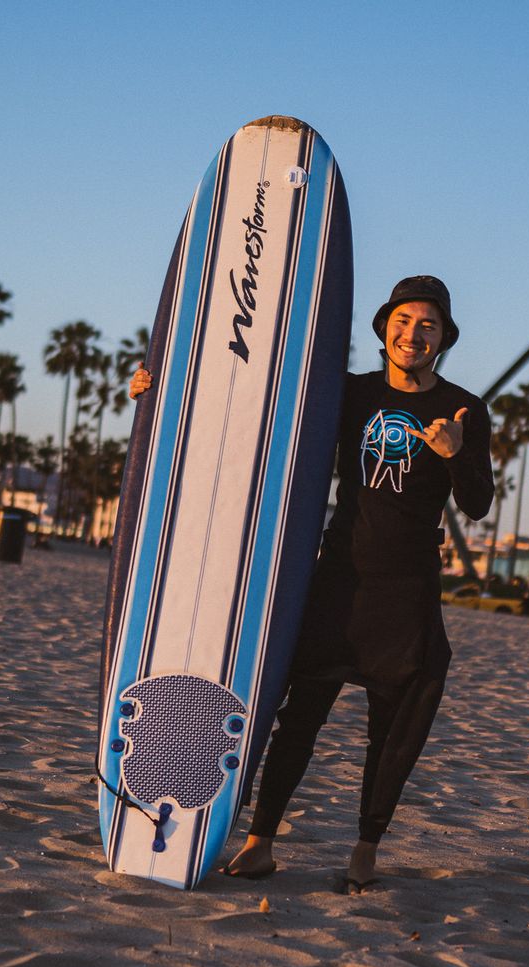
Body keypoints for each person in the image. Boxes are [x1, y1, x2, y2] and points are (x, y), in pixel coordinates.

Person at [129, 275, 493, 892]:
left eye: (428, 324)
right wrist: (160, 388)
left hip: (406, 590)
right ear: (385, 330)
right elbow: (253, 409)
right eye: (404, 320)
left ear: (443, 338)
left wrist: (456, 451)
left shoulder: (463, 409)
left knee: (394, 724)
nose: (414, 334)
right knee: (299, 718)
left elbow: (478, 504)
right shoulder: (347, 394)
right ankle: (260, 841)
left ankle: (365, 849)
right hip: (339, 578)